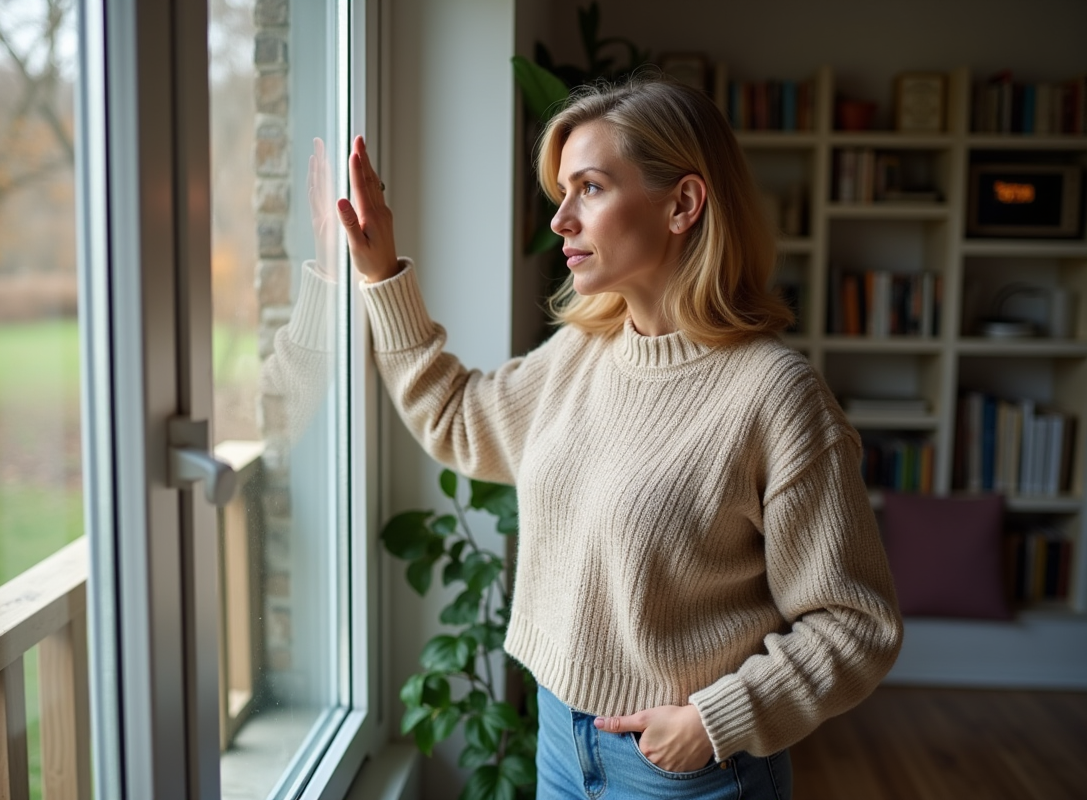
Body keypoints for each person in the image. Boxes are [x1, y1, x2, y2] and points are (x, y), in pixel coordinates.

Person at [331, 78, 903, 799]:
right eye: (562, 193)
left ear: (683, 204)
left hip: (688, 769)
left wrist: (710, 721)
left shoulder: (775, 396)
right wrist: (381, 274)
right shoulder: (584, 351)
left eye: (591, 188)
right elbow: (459, 419)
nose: (562, 220)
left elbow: (855, 623)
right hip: (560, 739)